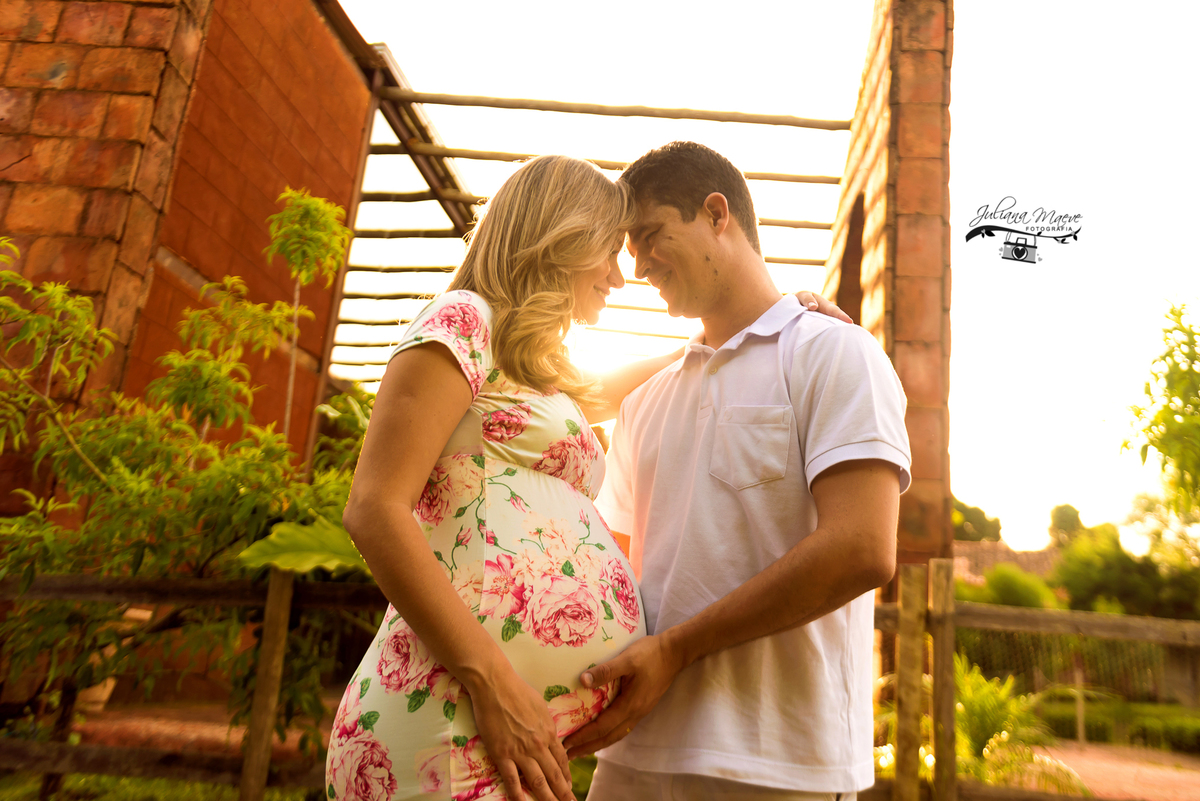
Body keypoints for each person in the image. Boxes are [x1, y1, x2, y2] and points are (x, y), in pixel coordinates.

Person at [561, 141, 913, 801]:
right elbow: (621, 568)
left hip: (780, 763)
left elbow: (863, 549)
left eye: (649, 236)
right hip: (634, 754)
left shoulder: (834, 353)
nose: (635, 266)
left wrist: (678, 648)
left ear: (716, 213)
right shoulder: (648, 394)